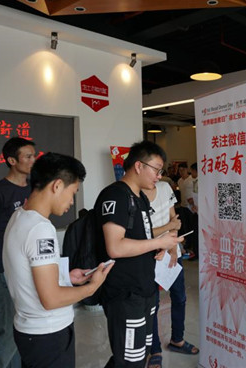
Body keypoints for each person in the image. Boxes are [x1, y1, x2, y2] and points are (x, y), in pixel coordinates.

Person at [3, 152, 112, 368]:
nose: (71, 202)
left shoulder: (19, 216)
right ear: (57, 185)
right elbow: (51, 299)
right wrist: (92, 288)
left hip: (30, 331)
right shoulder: (40, 229)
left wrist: (66, 278)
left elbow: (29, 274)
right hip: (48, 333)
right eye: (72, 193)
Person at [95, 140, 183, 368]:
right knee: (129, 360)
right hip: (125, 293)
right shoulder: (116, 195)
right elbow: (115, 247)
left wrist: (159, 246)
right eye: (156, 169)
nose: (159, 176)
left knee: (138, 354)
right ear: (138, 166)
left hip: (145, 288)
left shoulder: (140, 197)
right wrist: (158, 241)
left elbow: (140, 237)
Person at [0, 136, 36, 368]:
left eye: (34, 155)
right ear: (12, 160)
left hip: (27, 266)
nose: (33, 160)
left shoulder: (34, 189)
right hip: (4, 269)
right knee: (8, 332)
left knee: (21, 328)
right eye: (28, 156)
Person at [143, 180, 198, 368]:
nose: (158, 176)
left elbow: (175, 219)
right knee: (153, 304)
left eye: (160, 170)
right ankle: (155, 350)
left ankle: (177, 340)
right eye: (156, 170)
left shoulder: (164, 187)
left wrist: (173, 248)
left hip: (172, 252)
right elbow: (141, 232)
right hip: (149, 254)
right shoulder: (133, 194)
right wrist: (169, 228)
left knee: (179, 297)